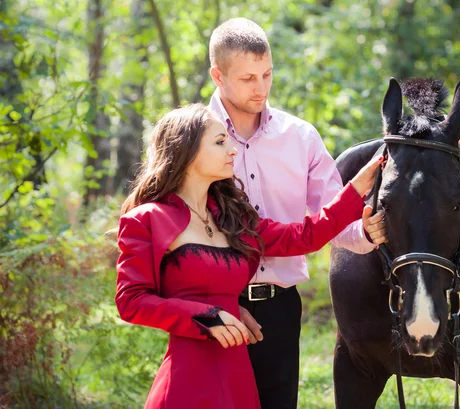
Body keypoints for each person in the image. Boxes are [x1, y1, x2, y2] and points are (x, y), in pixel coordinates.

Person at [114, 103, 383, 409]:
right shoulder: (145, 220)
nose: (232, 150)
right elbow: (131, 301)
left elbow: (303, 237)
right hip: (187, 377)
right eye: (219, 142)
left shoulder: (234, 217)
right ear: (186, 151)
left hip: (237, 371)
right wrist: (205, 316)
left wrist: (356, 188)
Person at [207, 17, 387, 409]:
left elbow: (334, 218)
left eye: (267, 74)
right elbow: (176, 231)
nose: (261, 88)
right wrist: (216, 304)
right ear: (217, 76)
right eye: (248, 78)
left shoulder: (300, 137)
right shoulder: (192, 137)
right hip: (211, 307)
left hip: (279, 307)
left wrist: (366, 231)